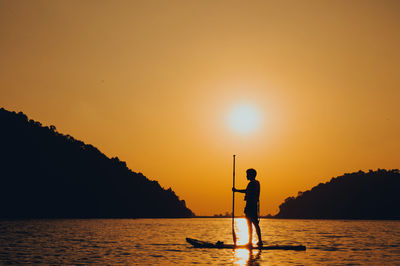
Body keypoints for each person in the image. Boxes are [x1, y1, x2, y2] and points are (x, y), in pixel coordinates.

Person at [232, 168, 262, 247]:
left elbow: (247, 191)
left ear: (251, 175)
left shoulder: (253, 183)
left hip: (251, 206)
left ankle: (251, 242)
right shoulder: (255, 183)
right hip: (253, 205)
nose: (246, 176)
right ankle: (258, 241)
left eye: (247, 174)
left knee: (251, 224)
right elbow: (247, 191)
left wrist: (236, 190)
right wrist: (237, 190)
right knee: (254, 224)